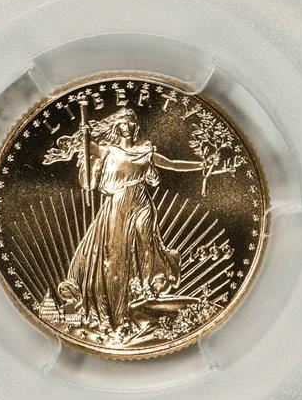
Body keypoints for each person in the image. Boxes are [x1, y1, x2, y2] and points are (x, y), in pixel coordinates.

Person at [44, 107, 203, 331]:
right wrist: (84, 141)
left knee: (146, 242)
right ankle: (114, 309)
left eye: (130, 123)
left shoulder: (145, 152)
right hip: (117, 204)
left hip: (141, 202)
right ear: (116, 126)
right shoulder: (106, 150)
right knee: (115, 255)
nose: (126, 126)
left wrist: (202, 165)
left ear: (135, 127)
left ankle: (147, 288)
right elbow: (86, 164)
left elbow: (173, 164)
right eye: (122, 123)